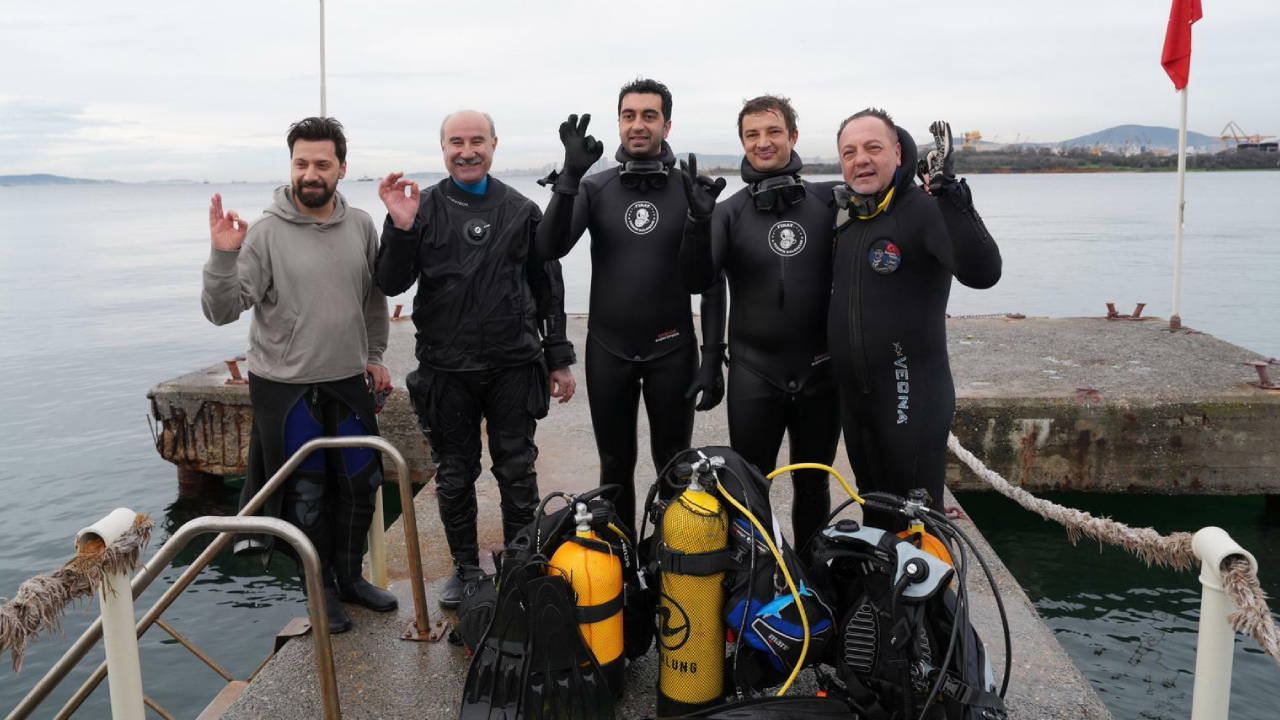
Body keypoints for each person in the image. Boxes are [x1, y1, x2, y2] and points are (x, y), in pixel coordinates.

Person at [374, 110, 576, 608]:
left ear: (494, 145)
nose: (467, 150)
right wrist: (400, 229)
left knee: (516, 469)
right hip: (446, 368)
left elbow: (549, 287)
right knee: (456, 473)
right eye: (456, 141)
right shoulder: (419, 208)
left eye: (477, 141)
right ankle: (465, 568)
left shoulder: (522, 209)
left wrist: (559, 357)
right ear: (442, 148)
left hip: (512, 363)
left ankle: (522, 562)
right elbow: (390, 282)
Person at [202, 116, 394, 633]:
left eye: (322, 164)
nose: (310, 173)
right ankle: (321, 589)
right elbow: (223, 311)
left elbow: (373, 301)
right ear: (291, 166)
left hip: (348, 377)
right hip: (284, 387)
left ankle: (350, 579)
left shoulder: (361, 226)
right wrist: (223, 255)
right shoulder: (264, 232)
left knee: (361, 481)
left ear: (342, 168)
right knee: (307, 496)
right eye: (301, 163)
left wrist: (375, 356)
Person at [535, 78, 726, 533]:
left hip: (673, 350)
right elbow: (548, 246)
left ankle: (673, 567)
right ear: (618, 122)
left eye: (649, 115)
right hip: (609, 349)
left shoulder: (691, 191)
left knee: (675, 467)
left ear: (667, 123)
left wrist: (713, 359)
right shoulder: (595, 187)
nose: (637, 125)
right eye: (629, 115)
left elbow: (712, 282)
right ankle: (621, 568)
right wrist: (568, 177)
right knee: (615, 464)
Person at [827, 108, 1002, 530]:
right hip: (857, 399)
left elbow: (983, 273)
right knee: (873, 505)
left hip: (911, 394)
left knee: (918, 517)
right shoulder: (848, 214)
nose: (860, 159)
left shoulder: (925, 209)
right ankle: (879, 593)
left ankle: (927, 595)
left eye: (873, 148)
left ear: (899, 153)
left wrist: (952, 198)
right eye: (849, 152)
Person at [678, 95, 841, 548]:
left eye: (773, 132)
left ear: (793, 135)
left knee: (814, 485)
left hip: (820, 370)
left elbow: (886, 189)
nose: (763, 143)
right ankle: (760, 578)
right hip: (755, 371)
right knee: (750, 489)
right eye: (752, 135)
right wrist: (696, 220)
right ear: (742, 142)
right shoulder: (727, 212)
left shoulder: (831, 200)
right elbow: (698, 280)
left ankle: (813, 578)